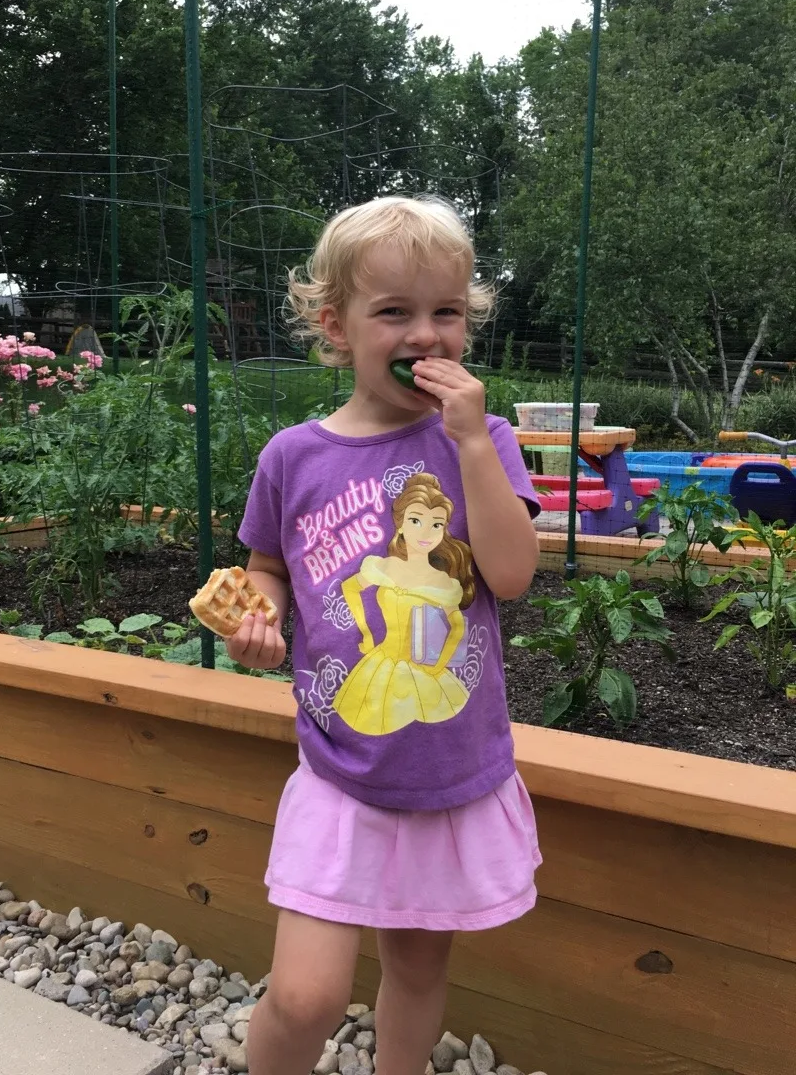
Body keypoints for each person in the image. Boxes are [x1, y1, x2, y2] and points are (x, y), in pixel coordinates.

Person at [226, 195, 541, 1075]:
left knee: (416, 970)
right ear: (337, 325)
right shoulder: (293, 456)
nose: (426, 334)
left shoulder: (487, 440)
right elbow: (268, 566)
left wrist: (470, 443)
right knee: (305, 996)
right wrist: (260, 615)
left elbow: (512, 575)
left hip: (449, 773)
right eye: (395, 311)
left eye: (447, 312)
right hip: (340, 770)